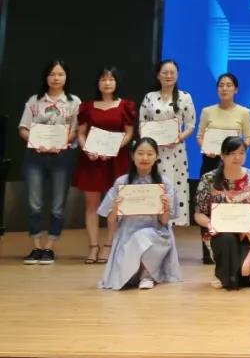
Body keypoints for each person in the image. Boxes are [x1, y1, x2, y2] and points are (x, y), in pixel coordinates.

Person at [97, 138, 182, 290]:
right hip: (127, 234)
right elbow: (111, 221)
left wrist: (166, 207)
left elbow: (164, 222)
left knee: (142, 237)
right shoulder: (121, 182)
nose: (145, 158)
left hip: (157, 234)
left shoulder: (165, 184)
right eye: (140, 153)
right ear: (132, 156)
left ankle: (147, 275)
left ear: (156, 157)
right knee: (123, 279)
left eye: (150, 154)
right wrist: (115, 209)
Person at [18, 60, 80, 265]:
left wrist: (61, 143)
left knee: (57, 206)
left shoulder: (73, 102)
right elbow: (23, 128)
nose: (56, 78)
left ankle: (49, 247)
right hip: (35, 157)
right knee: (34, 204)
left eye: (60, 74)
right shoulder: (35, 101)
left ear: (66, 77)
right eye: (52, 74)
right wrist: (35, 141)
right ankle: (36, 246)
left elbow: (75, 130)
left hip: (61, 157)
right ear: (46, 77)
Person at [74, 66, 136, 264]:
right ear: (98, 83)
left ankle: (109, 245)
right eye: (103, 79)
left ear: (117, 82)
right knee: (91, 205)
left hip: (116, 160)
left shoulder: (125, 105)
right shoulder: (87, 107)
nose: (107, 83)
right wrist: (87, 150)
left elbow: (129, 133)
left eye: (111, 79)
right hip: (91, 161)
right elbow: (81, 133)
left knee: (114, 205)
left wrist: (114, 148)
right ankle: (93, 246)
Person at [195, 72, 250, 264]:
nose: (224, 88)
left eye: (229, 85)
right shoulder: (207, 111)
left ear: (236, 89)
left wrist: (236, 151)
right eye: (221, 85)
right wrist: (207, 148)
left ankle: (231, 246)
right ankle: (208, 251)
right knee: (207, 205)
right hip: (211, 162)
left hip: (234, 164)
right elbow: (200, 136)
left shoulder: (244, 112)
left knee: (231, 204)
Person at [193, 136, 250, 290]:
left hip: (247, 233)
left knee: (246, 277)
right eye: (232, 153)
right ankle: (223, 274)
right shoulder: (208, 179)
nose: (237, 157)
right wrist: (210, 224)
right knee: (226, 238)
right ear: (222, 156)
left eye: (241, 153)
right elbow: (198, 214)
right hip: (219, 232)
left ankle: (226, 273)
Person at [138, 59, 196, 227]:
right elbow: (142, 123)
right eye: (165, 72)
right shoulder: (149, 97)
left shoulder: (185, 97)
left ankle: (168, 229)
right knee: (153, 187)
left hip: (175, 152)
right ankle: (151, 226)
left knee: (172, 188)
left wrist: (178, 138)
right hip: (152, 153)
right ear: (158, 75)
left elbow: (191, 125)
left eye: (172, 72)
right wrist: (149, 141)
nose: (169, 76)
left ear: (177, 75)